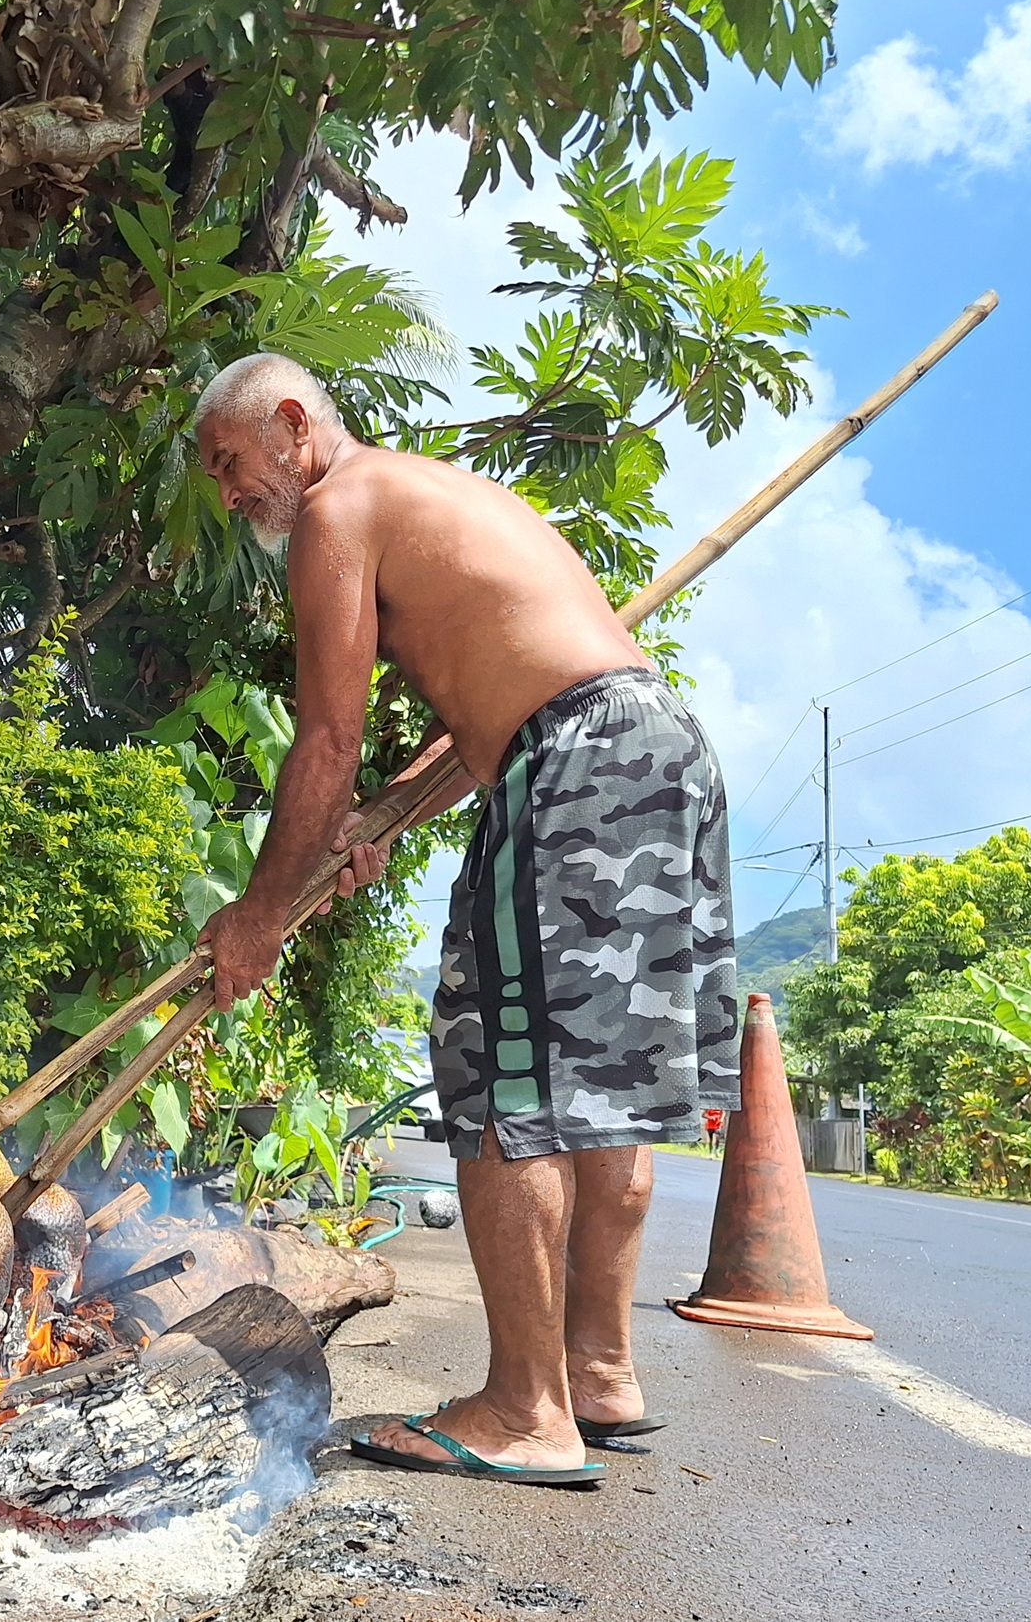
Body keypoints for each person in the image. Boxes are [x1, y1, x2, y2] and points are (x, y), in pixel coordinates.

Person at [190, 352, 740, 1488]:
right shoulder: (429, 494)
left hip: (572, 760)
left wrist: (257, 915)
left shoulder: (338, 507)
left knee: (503, 1068)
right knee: (594, 1081)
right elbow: (476, 719)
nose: (230, 492)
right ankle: (595, 1374)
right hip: (651, 747)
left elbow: (326, 739)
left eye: (231, 463)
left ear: (295, 423)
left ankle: (524, 1412)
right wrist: (379, 824)